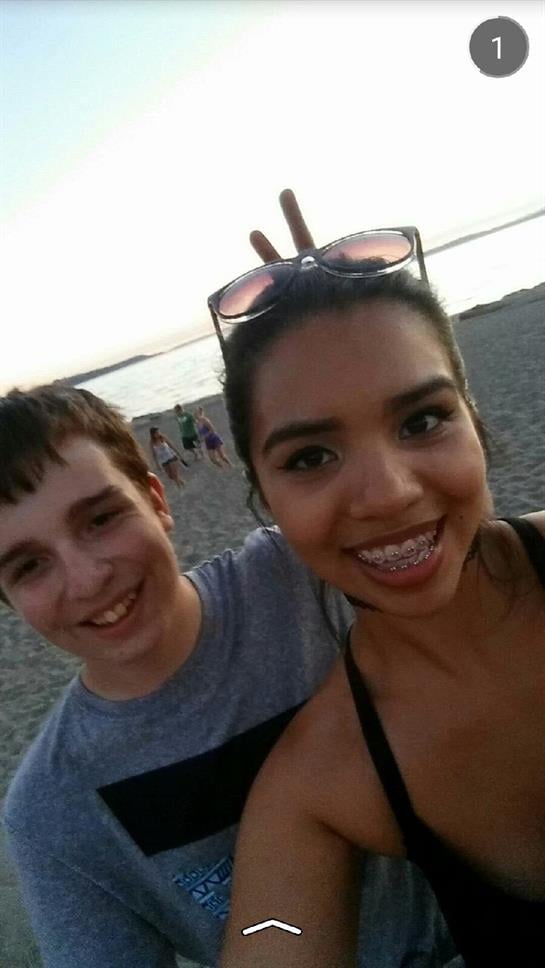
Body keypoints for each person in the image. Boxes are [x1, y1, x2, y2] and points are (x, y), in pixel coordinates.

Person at [0, 193, 459, 968]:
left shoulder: (296, 573)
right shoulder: (53, 813)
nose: (86, 577)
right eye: (28, 565)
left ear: (155, 498)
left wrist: (350, 352)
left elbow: (446, 535)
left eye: (100, 519)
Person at [211, 228, 545, 967]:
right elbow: (276, 938)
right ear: (263, 496)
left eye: (421, 420)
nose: (389, 493)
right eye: (311, 457)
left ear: (472, 416)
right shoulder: (319, 787)